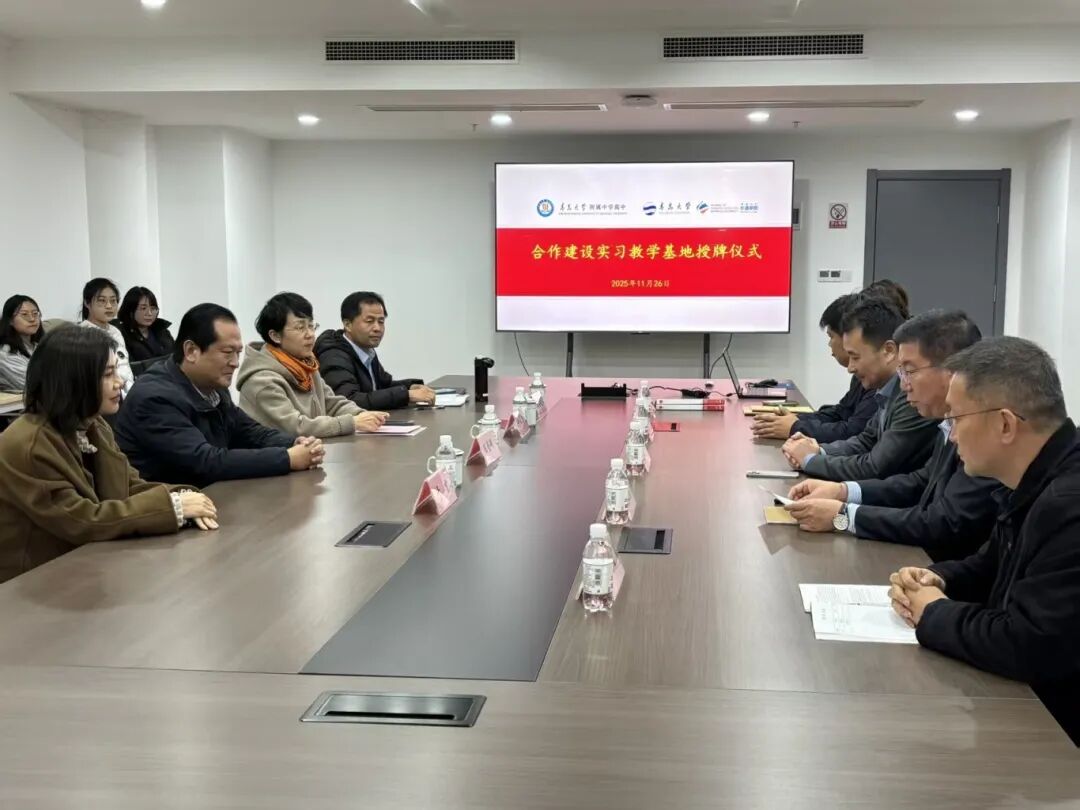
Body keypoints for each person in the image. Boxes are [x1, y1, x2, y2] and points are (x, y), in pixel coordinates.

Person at [887, 337, 1080, 744]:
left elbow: (1029, 645)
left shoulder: (1068, 504)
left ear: (1005, 424)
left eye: (956, 419)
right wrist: (937, 578)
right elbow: (991, 563)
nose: (951, 436)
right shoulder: (1037, 478)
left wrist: (933, 613)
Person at [0, 327, 218, 584]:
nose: (120, 382)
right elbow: (81, 520)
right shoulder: (29, 444)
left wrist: (184, 495)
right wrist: (174, 507)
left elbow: (129, 485)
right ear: (73, 380)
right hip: (33, 584)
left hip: (87, 568)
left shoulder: (93, 424)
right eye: (107, 374)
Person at [785, 310, 1000, 562]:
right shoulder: (947, 422)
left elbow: (945, 522)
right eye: (901, 372)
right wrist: (842, 491)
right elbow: (920, 482)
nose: (904, 384)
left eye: (909, 371)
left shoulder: (984, 434)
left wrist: (843, 516)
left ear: (951, 372)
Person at [115, 303, 325, 487]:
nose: (235, 363)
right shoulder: (155, 397)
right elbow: (205, 462)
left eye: (238, 353)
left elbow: (250, 432)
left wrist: (295, 443)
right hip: (171, 508)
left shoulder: (213, 386)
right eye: (227, 353)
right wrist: (286, 458)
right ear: (191, 351)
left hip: (211, 497)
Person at [783, 296, 939, 481]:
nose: (850, 368)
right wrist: (819, 450)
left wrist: (810, 460)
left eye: (855, 357)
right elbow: (865, 441)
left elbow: (875, 467)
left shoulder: (912, 396)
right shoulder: (886, 390)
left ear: (889, 351)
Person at [238, 293, 388, 438]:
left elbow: (332, 403)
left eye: (311, 326)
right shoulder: (262, 381)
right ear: (275, 336)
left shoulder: (306, 366)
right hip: (280, 454)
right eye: (300, 327)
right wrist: (351, 422)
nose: (310, 334)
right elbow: (296, 427)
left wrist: (362, 415)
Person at [752, 292, 878, 442]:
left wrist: (795, 427)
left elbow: (852, 431)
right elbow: (841, 413)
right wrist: (795, 420)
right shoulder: (861, 374)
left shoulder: (875, 380)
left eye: (831, 336)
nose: (829, 344)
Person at [315, 291, 436, 411]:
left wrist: (410, 387)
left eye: (381, 321)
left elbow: (381, 386)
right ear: (348, 325)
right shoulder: (333, 355)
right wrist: (406, 395)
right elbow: (349, 401)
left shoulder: (365, 349)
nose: (377, 328)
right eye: (369, 321)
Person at [78, 278, 134, 394]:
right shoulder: (82, 334)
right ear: (87, 303)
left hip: (129, 392)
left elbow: (125, 366)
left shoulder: (115, 331)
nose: (109, 306)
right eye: (102, 301)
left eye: (113, 301)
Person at [115, 286, 175, 368]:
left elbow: (176, 357)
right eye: (143, 308)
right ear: (130, 311)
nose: (149, 313)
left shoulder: (162, 330)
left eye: (153, 308)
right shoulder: (120, 334)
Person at [0, 294, 44, 392]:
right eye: (24, 314)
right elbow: (32, 385)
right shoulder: (5, 353)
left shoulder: (39, 346)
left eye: (35, 313)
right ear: (10, 320)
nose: (32, 319)